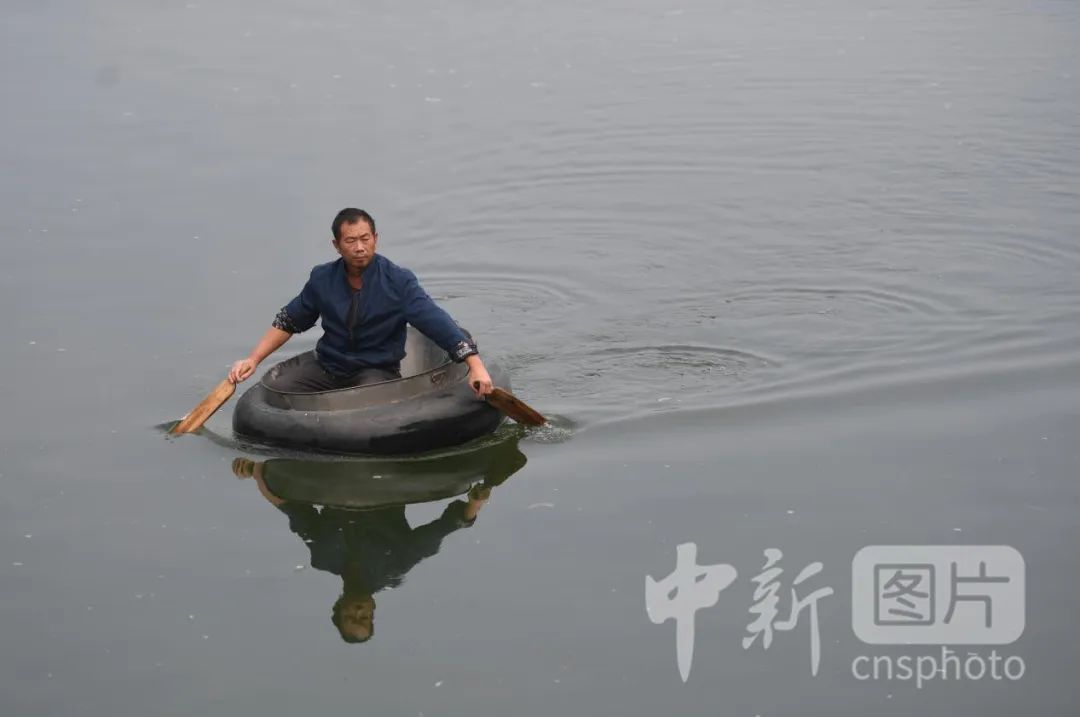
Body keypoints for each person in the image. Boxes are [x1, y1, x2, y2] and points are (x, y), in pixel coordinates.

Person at [228, 208, 493, 396]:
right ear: (336, 245)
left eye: (365, 239)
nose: (359, 247)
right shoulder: (322, 279)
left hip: (376, 371)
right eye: (351, 241)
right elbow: (289, 320)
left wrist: (476, 366)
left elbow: (437, 323)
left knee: (366, 398)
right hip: (329, 367)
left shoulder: (398, 282)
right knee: (276, 391)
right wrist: (253, 359)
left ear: (375, 239)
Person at [232, 457, 493, 643]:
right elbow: (440, 530)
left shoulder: (322, 557)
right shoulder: (395, 566)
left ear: (338, 607)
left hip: (338, 475)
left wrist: (256, 471)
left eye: (351, 616)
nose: (358, 611)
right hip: (387, 476)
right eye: (364, 617)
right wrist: (475, 505)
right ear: (372, 610)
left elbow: (291, 508)